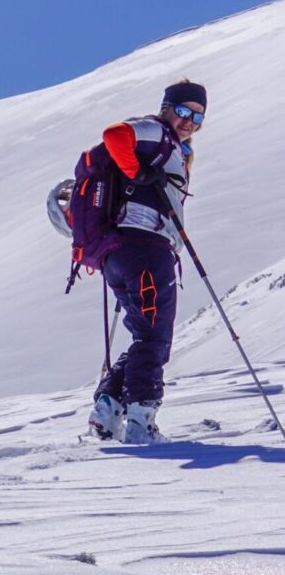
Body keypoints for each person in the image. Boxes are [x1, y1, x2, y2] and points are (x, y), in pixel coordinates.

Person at [88, 80, 207, 444]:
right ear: (167, 107)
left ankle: (107, 410)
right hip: (145, 248)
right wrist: (136, 172)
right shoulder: (155, 130)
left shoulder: (173, 145)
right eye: (183, 111)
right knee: (154, 338)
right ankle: (141, 420)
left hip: (121, 253)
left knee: (146, 336)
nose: (188, 121)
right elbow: (114, 134)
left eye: (198, 116)